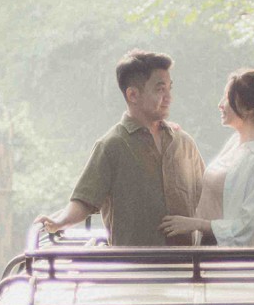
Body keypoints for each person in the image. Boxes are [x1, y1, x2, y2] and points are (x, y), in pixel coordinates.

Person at [36, 49, 206, 248]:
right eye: (160, 89)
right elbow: (84, 201)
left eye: (169, 88)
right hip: (131, 265)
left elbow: (207, 197)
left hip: (188, 263)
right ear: (133, 94)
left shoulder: (184, 143)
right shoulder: (112, 145)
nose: (169, 97)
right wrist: (58, 222)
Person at [161, 68, 254, 249]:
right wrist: (173, 135)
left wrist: (196, 224)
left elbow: (250, 228)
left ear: (249, 108)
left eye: (227, 98)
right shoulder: (236, 143)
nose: (220, 104)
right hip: (208, 247)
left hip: (228, 257)